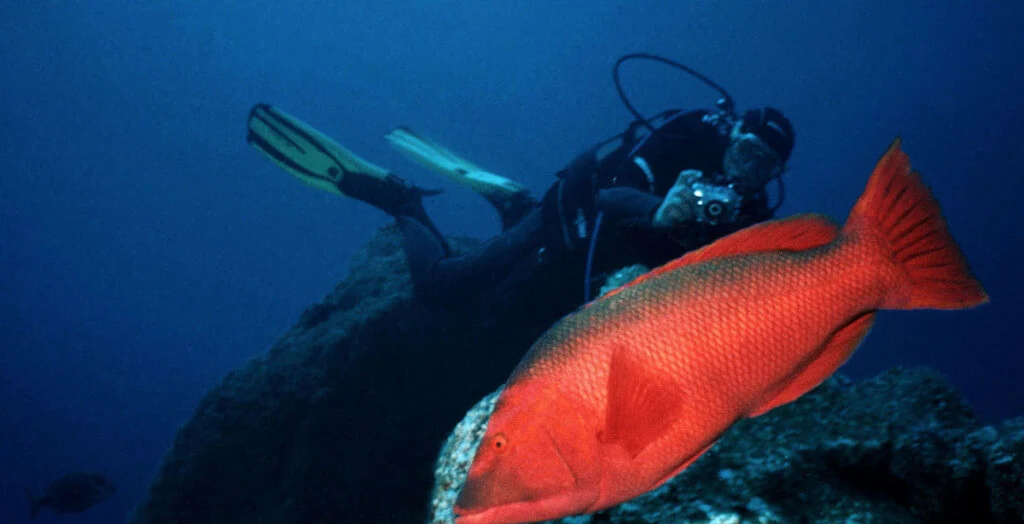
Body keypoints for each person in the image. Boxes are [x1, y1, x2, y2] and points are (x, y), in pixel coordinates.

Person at [246, 99, 794, 308]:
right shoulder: (687, 139)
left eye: (763, 168)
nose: (745, 173)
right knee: (444, 289)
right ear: (731, 133)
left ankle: (511, 200)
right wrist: (658, 210)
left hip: (603, 270)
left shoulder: (748, 214)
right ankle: (400, 200)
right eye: (745, 154)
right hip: (573, 223)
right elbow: (601, 192)